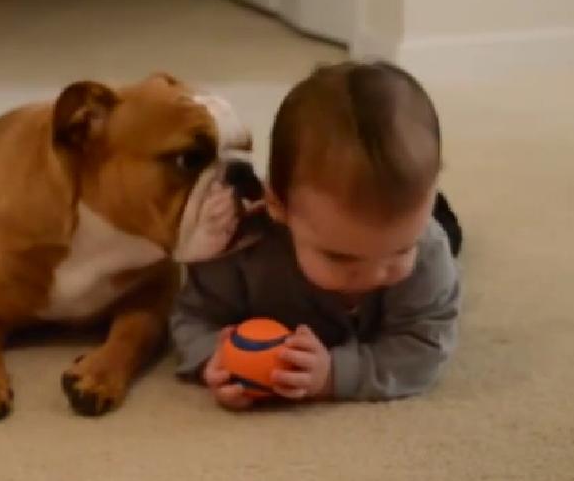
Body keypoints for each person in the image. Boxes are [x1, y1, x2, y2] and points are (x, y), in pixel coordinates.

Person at [170, 61, 461, 410]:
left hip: (432, 229)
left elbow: (424, 348)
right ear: (277, 205)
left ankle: (437, 211)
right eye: (340, 257)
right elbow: (192, 317)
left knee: (449, 237)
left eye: (400, 250)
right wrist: (212, 356)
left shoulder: (427, 252)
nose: (374, 275)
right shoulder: (241, 251)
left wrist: (335, 375)